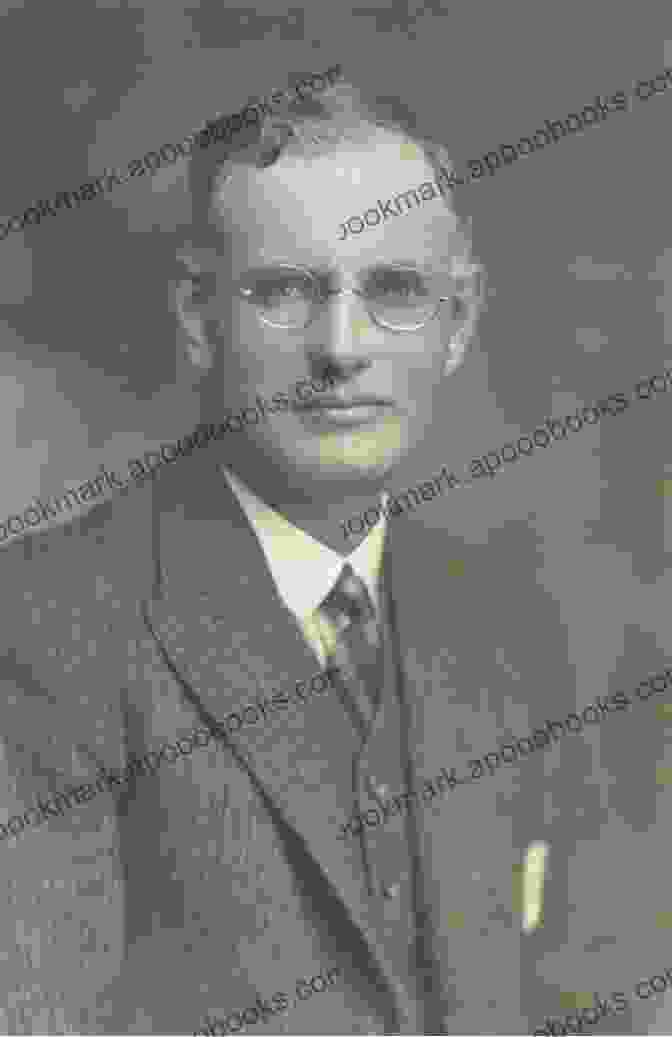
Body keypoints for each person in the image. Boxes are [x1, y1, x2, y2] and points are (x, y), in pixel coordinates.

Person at [0, 73, 669, 1037]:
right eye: (283, 292)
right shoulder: (45, 624)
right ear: (198, 317)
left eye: (393, 290)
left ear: (460, 322)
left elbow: (588, 1002)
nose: (341, 345)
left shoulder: (518, 624)